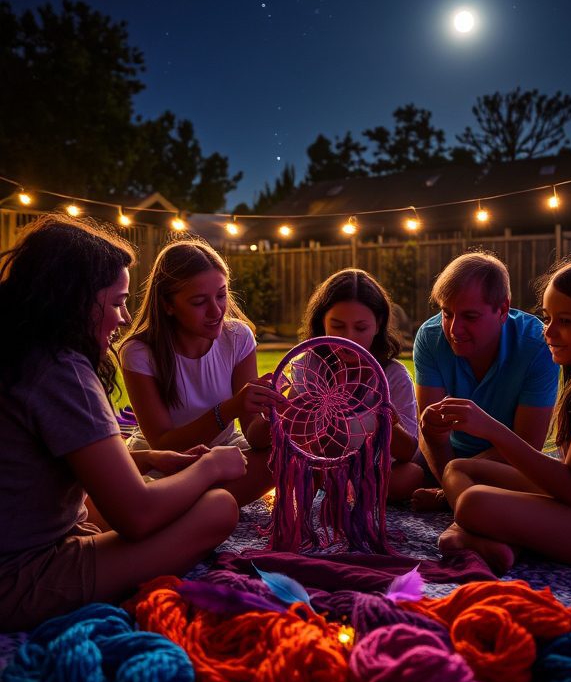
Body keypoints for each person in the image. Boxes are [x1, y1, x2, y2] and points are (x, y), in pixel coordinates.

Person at [0, 214, 244, 632]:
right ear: (73, 301)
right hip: (20, 577)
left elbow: (36, 467)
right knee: (218, 508)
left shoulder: (20, 353)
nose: (126, 317)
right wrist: (211, 466)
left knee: (120, 500)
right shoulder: (60, 370)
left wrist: (146, 459)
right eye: (116, 303)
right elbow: (136, 515)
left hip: (27, 536)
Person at [433, 254, 571, 575]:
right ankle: (499, 537)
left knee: (474, 502)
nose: (549, 332)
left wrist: (492, 429)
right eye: (547, 318)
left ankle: (475, 533)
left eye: (565, 321)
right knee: (459, 468)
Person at [121, 239, 283, 507]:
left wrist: (276, 418)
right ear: (168, 304)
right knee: (145, 497)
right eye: (199, 302)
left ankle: (196, 507)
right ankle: (205, 504)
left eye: (221, 295)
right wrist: (229, 409)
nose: (216, 311)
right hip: (169, 464)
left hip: (227, 453)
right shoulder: (140, 352)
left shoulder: (237, 337)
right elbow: (162, 445)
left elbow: (254, 435)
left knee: (280, 460)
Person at [411, 251, 558, 511]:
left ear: (502, 310)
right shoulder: (430, 337)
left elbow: (527, 444)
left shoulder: (536, 345)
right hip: (448, 458)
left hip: (511, 462)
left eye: (470, 317)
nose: (454, 329)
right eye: (447, 313)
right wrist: (452, 481)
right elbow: (430, 432)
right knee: (395, 477)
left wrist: (450, 490)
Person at [299, 268, 424, 501]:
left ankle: (352, 487)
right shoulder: (309, 365)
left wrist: (388, 424)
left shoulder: (394, 375)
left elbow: (409, 452)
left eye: (360, 328)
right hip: (323, 464)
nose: (349, 337)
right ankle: (340, 484)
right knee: (295, 467)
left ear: (378, 324)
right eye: (337, 326)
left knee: (410, 476)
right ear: (322, 322)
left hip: (377, 469)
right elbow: (296, 438)